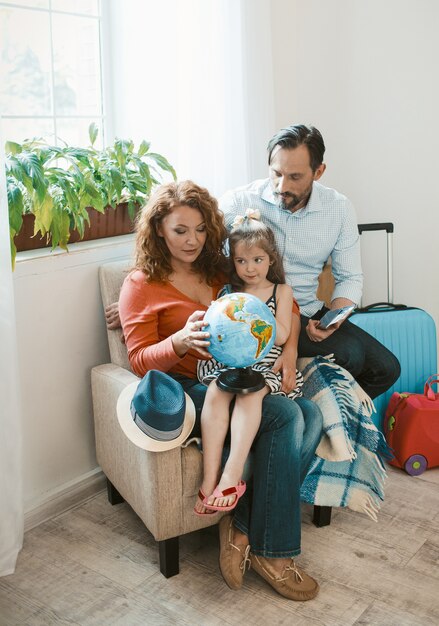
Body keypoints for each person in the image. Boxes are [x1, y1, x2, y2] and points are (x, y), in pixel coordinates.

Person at [118, 180, 323, 601]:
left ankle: (242, 526)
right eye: (180, 231)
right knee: (287, 416)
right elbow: (138, 360)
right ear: (158, 229)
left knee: (314, 414)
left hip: (241, 376)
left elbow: (281, 302)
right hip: (191, 386)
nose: (192, 240)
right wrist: (177, 342)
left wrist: (289, 352)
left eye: (199, 230)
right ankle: (276, 554)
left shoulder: (220, 271)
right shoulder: (140, 284)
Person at [219, 124, 400, 400]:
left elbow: (350, 278)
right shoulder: (238, 201)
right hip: (258, 312)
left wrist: (331, 321)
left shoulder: (338, 209)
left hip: (307, 310)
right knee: (350, 354)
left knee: (386, 368)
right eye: (276, 174)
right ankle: (322, 417)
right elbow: (208, 257)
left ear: (318, 172)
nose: (282, 186)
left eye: (294, 177)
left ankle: (339, 420)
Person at [195, 209, 304, 515]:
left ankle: (231, 476)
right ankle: (209, 479)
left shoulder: (282, 291)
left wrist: (256, 312)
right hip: (229, 363)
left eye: (257, 260)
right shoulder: (229, 293)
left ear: (271, 259)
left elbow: (281, 335)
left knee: (250, 395)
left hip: (263, 364)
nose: (249, 268)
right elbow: (216, 327)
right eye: (241, 261)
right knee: (217, 392)